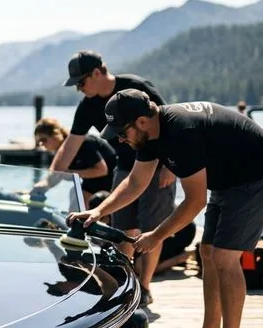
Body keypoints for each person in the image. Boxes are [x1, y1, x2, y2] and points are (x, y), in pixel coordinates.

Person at [68, 89, 263, 328]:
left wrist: (156, 236)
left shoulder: (180, 132)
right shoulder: (150, 135)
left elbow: (195, 201)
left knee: (225, 258)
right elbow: (135, 183)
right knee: (207, 252)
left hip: (256, 176)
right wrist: (98, 211)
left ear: (141, 121)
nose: (120, 139)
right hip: (227, 179)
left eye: (122, 132)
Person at [53, 50, 176, 307]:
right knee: (122, 227)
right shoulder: (88, 106)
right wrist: (47, 180)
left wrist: (171, 167)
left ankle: (145, 286)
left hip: (156, 163)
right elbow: (70, 146)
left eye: (80, 82)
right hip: (126, 166)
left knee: (151, 225)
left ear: (97, 73)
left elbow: (167, 123)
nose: (78, 89)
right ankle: (126, 283)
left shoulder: (136, 88)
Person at [88, 191, 196, 273]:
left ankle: (185, 256)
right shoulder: (120, 208)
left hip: (181, 231)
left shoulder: (123, 216)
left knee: (140, 266)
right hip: (167, 226)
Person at [31, 117, 115, 207]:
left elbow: (102, 170)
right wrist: (36, 189)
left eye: (43, 140)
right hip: (92, 183)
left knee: (77, 196)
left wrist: (70, 173)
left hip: (111, 182)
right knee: (75, 195)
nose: (41, 144)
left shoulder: (83, 143)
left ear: (55, 135)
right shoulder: (60, 151)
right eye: (38, 142)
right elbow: (54, 175)